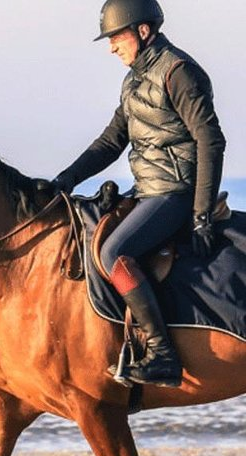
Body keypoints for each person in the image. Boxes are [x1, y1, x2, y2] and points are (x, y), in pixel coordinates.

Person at [52, 0, 226, 387]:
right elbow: (111, 140)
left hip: (176, 191)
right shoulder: (133, 79)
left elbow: (210, 141)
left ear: (142, 31)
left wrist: (201, 215)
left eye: (116, 37)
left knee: (115, 252)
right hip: (148, 189)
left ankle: (162, 353)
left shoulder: (178, 72)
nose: (111, 47)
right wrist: (66, 179)